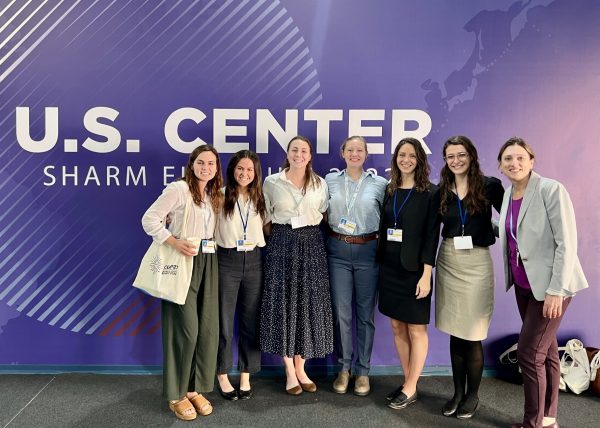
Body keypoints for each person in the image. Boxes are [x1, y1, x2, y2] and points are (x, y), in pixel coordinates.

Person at [497, 137, 588, 428]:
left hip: (550, 287)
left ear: (531, 161)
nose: (514, 163)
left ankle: (533, 423)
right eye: (508, 159)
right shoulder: (508, 194)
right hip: (524, 285)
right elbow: (515, 233)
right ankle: (548, 418)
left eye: (520, 158)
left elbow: (566, 243)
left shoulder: (550, 189)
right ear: (500, 165)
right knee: (545, 351)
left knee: (529, 353)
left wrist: (556, 291)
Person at [141, 144, 223, 421]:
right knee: (185, 330)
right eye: (201, 162)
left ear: (216, 168)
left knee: (206, 330)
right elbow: (149, 219)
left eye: (211, 164)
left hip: (209, 261)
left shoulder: (213, 193)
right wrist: (173, 242)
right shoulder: (178, 189)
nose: (206, 168)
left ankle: (193, 389)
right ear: (192, 164)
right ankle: (175, 394)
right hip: (183, 262)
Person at [434, 135, 504, 419]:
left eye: (461, 155)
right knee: (455, 331)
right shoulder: (441, 190)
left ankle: (472, 395)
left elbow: (512, 219)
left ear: (472, 155)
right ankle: (457, 393)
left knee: (472, 334)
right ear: (445, 160)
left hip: (477, 262)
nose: (456, 160)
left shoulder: (490, 186)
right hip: (449, 260)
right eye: (451, 156)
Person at [260, 135, 333, 395]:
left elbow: (323, 214)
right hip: (282, 244)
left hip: (312, 244)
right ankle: (289, 371)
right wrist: (282, 239)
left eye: (304, 150)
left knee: (308, 305)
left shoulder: (320, 183)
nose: (299, 154)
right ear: (288, 153)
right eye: (294, 150)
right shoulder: (271, 182)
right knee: (284, 304)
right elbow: (265, 220)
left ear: (310, 155)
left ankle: (301, 368)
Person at [377, 138, 439, 409]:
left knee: (416, 328)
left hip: (415, 271)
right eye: (402, 155)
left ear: (420, 160)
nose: (406, 160)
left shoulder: (430, 193)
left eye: (412, 156)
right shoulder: (390, 189)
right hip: (389, 268)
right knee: (396, 326)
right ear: (396, 158)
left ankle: (412, 386)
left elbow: (431, 237)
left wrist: (426, 274)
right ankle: (407, 383)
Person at [325, 136, 387, 396]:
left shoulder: (379, 184)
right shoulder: (329, 181)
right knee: (341, 314)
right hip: (337, 250)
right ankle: (344, 368)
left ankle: (363, 371)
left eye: (359, 150)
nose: (354, 153)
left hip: (368, 251)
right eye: (350, 149)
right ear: (342, 153)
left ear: (366, 154)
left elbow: (390, 218)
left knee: (365, 315)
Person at [215, 150, 267, 401]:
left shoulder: (260, 197)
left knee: (250, 322)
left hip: (255, 261)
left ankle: (246, 374)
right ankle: (222, 374)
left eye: (249, 169)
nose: (244, 173)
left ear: (256, 173)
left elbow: (267, 227)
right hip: (227, 261)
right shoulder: (219, 195)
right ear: (232, 170)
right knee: (224, 323)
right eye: (240, 168)